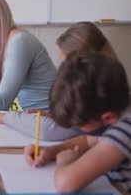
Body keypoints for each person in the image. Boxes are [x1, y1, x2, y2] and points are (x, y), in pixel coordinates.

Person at [0, 21, 119, 140]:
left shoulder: (99, 92)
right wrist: (52, 116)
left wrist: (6, 118)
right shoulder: (101, 81)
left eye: (66, 64)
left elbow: (49, 130)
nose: (63, 71)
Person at [24, 52, 130, 193]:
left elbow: (65, 184)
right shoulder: (116, 110)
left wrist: (65, 162)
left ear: (108, 118)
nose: (77, 129)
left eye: (79, 125)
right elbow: (88, 140)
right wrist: (52, 151)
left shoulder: (125, 129)